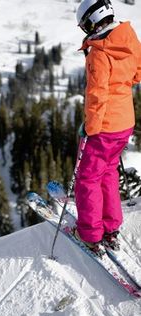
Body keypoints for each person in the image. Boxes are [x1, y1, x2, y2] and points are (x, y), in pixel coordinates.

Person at [74, 0, 141, 255]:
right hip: (125, 123)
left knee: (88, 178)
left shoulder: (99, 53)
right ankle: (111, 226)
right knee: (108, 171)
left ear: (91, 21)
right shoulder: (127, 36)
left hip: (104, 126)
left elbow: (97, 96)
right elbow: (138, 72)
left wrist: (89, 128)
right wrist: (122, 82)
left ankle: (90, 233)